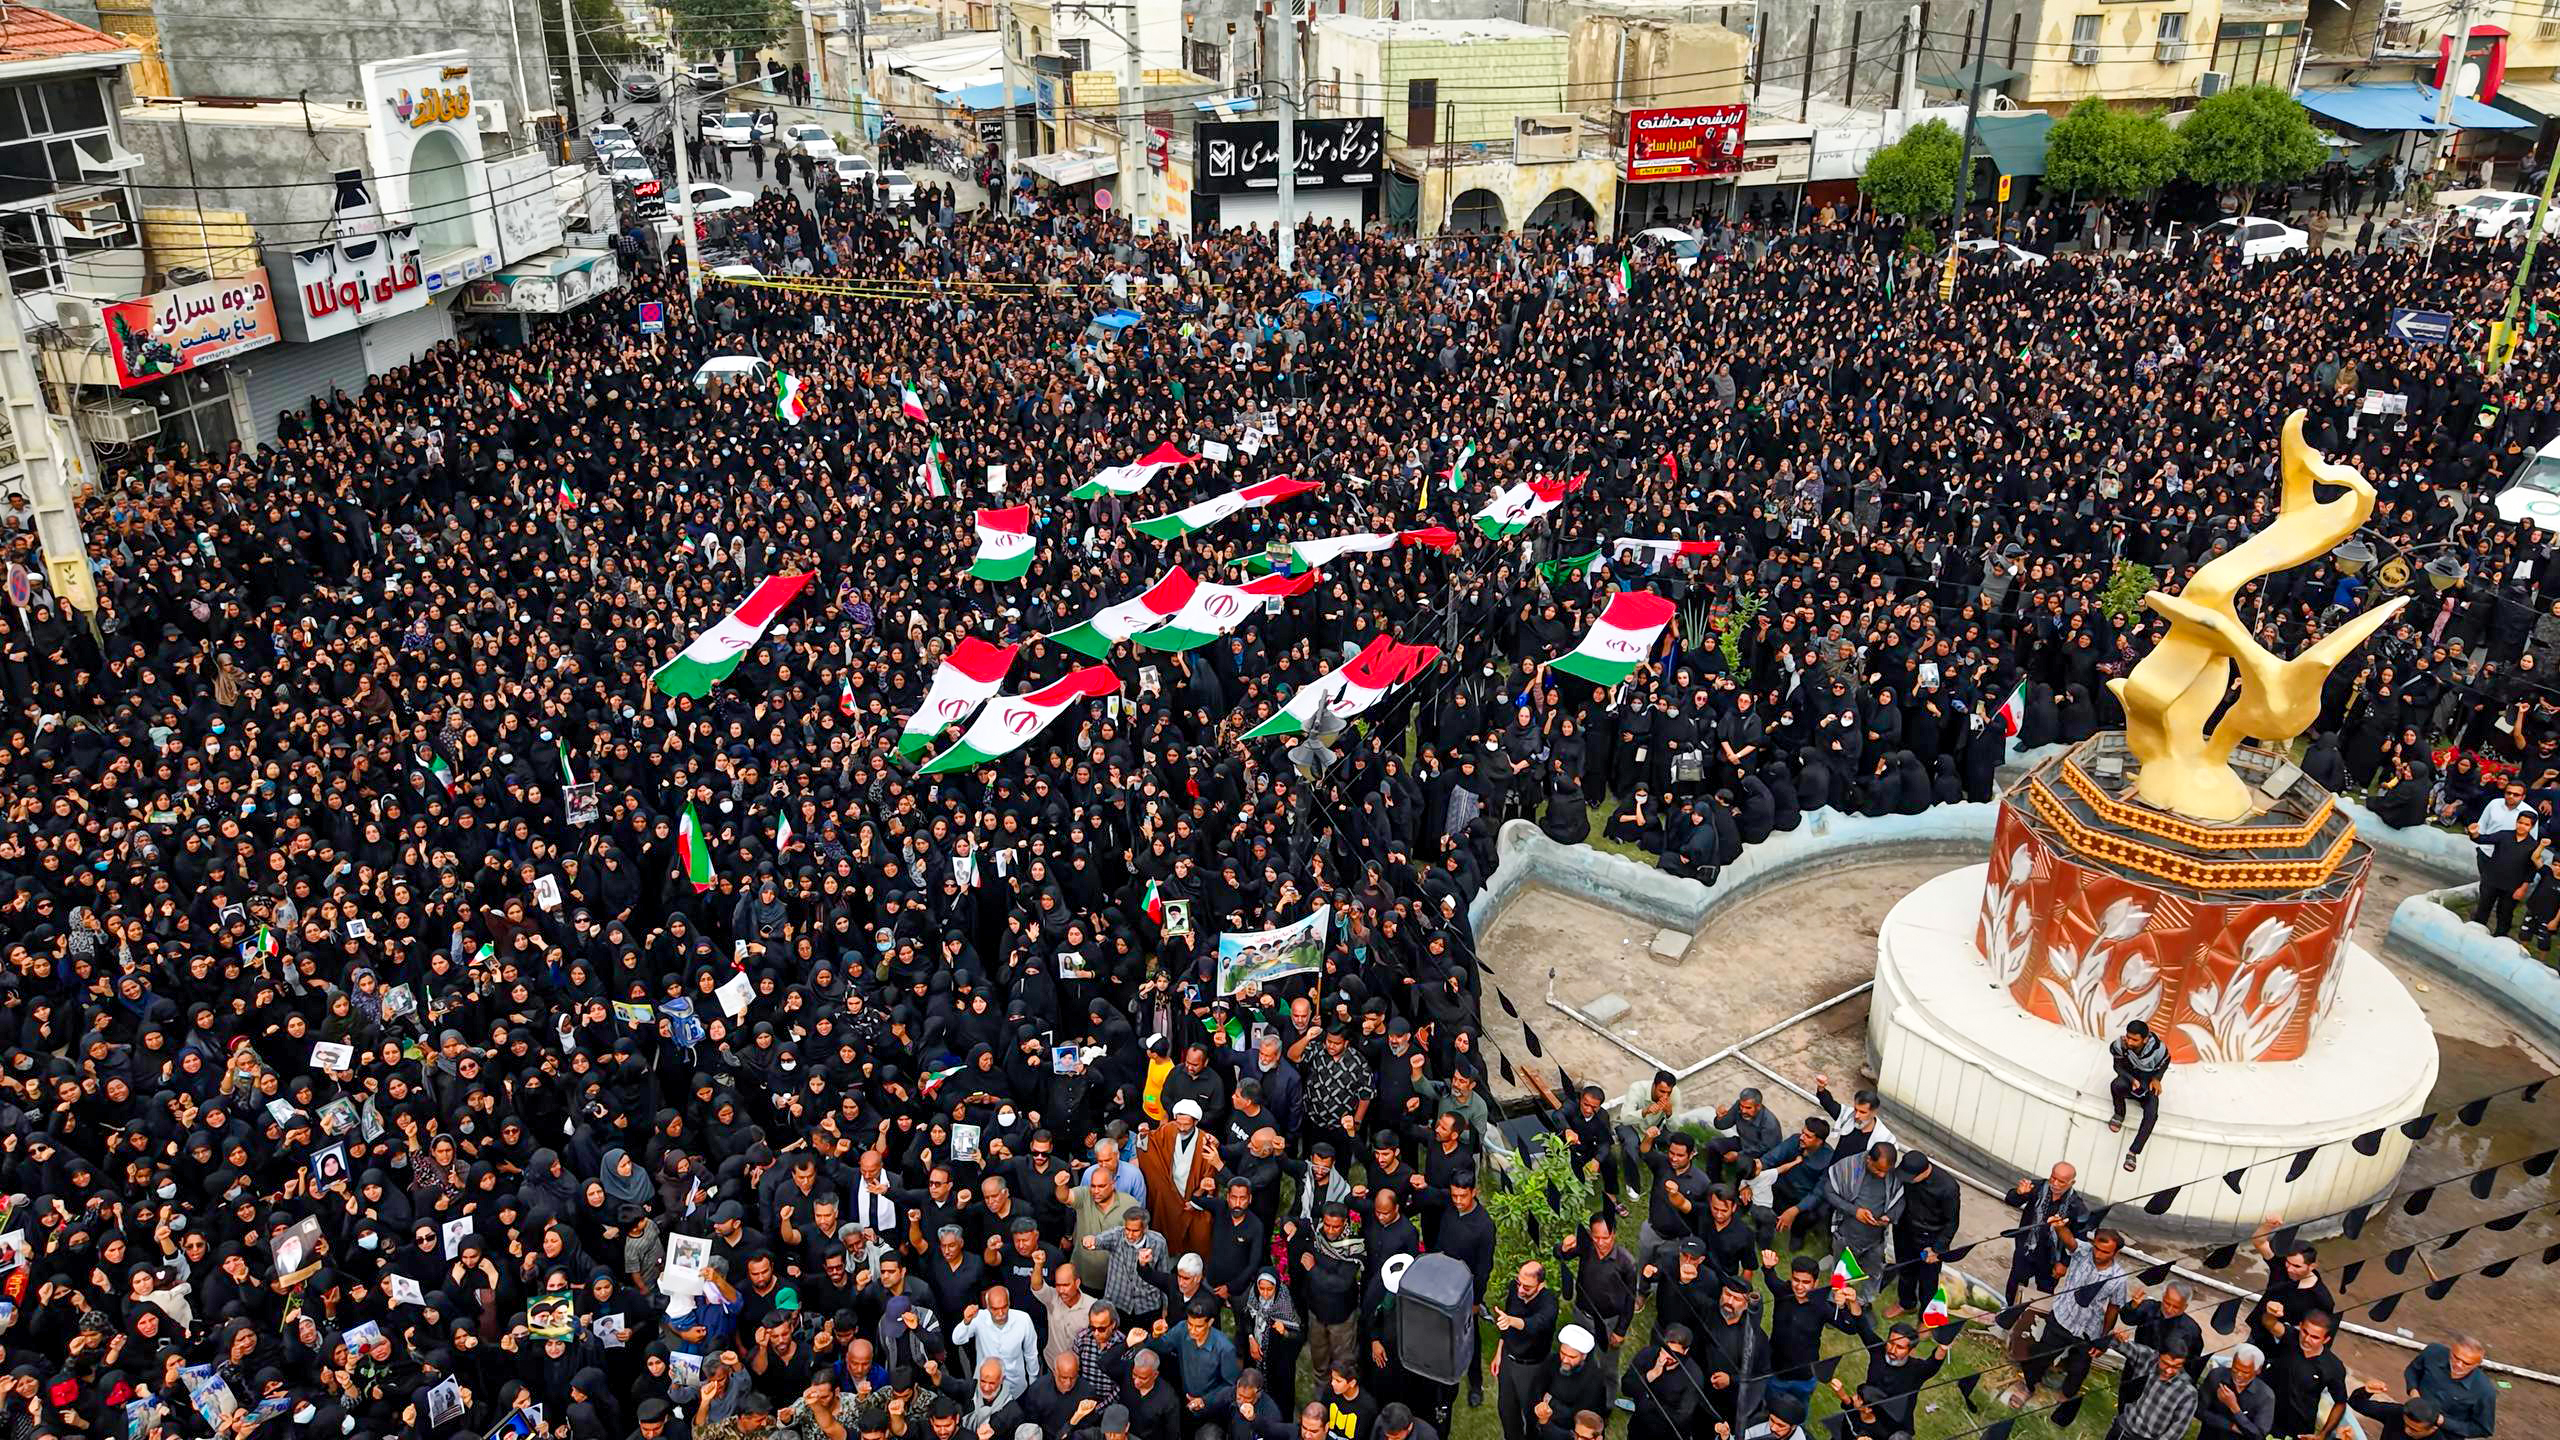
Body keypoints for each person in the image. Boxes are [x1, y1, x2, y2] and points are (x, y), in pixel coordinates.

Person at [2106, 1021, 2170, 1170]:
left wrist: (2156, 1079)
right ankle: (2119, 1114)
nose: (2129, 1042)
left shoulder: (2158, 1049)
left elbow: (2166, 1062)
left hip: (2147, 1083)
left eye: (2134, 1040)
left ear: (2145, 1039)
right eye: (2128, 1037)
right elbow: (2117, 1066)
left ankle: (2133, 1153)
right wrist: (2131, 1080)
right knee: (2116, 1085)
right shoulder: (2120, 1045)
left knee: (2152, 1114)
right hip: (2129, 1079)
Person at [2402, 1336, 2495, 1437]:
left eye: (2466, 1363)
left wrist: (2442, 1421)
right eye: (2456, 1357)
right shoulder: (2433, 1353)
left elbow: (2483, 1429)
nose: (2458, 1365)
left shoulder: (2484, 1391)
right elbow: (2412, 1371)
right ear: (2451, 1351)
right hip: (2412, 1418)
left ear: (2477, 1364)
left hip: (2445, 1434)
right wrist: (2414, 1392)